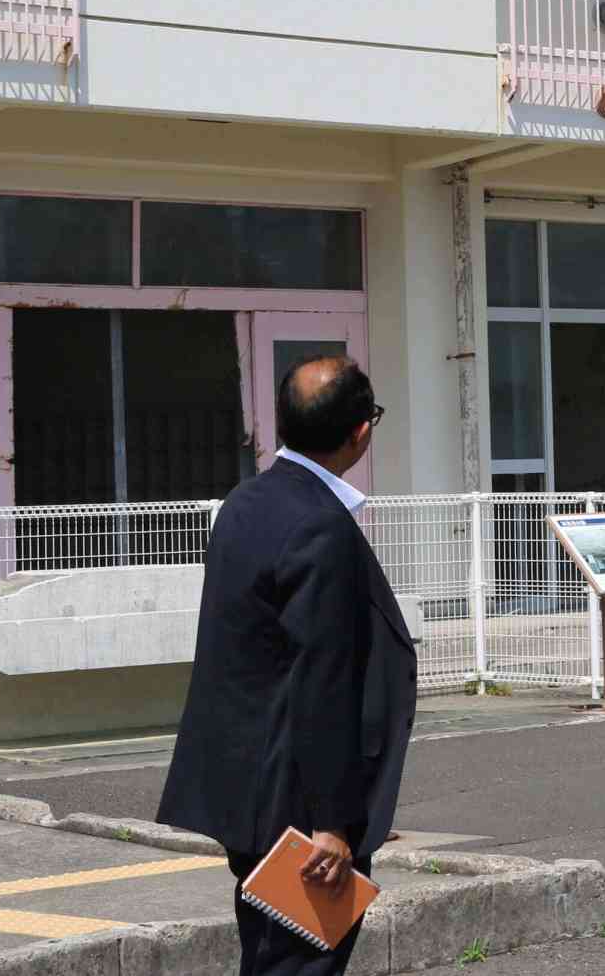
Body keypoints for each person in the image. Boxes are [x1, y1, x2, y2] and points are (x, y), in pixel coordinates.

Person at [158, 357, 417, 976]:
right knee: (302, 962)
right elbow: (321, 680)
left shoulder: (246, 502)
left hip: (244, 785)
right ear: (360, 432)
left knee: (269, 953)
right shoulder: (320, 526)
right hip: (298, 802)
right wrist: (331, 821)